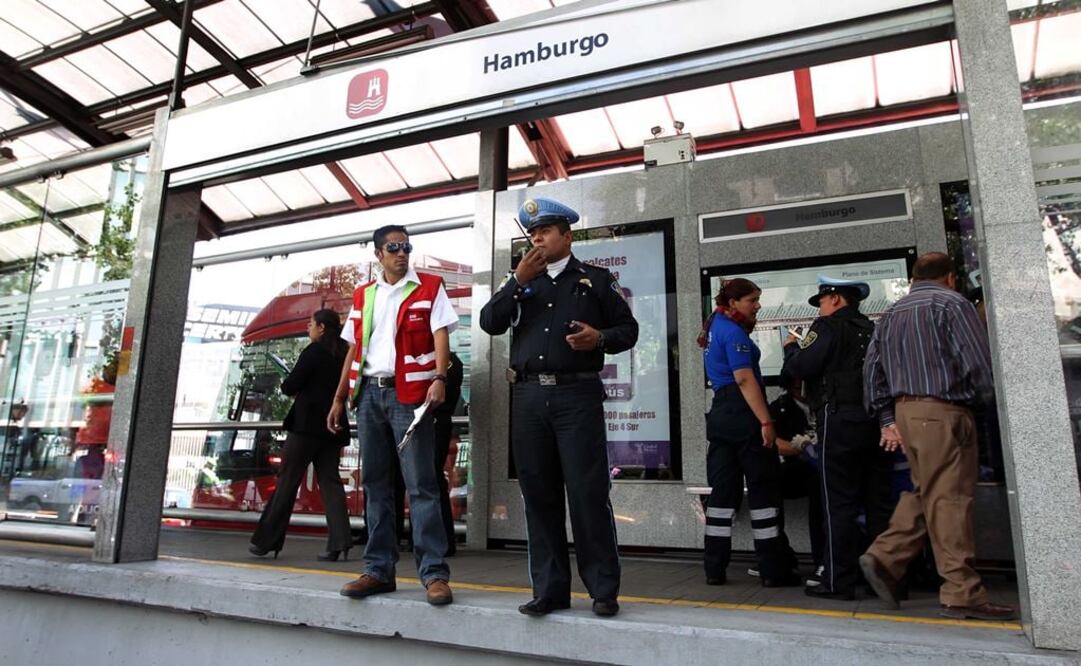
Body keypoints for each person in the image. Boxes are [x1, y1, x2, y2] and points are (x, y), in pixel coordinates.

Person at [479, 197, 638, 618]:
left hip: (577, 396)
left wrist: (598, 338)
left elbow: (629, 330)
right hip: (529, 397)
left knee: (587, 495)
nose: (538, 239)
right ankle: (549, 590)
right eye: (533, 233)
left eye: (546, 232)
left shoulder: (597, 281)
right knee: (539, 496)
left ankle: (603, 589)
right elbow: (489, 322)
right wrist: (516, 280)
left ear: (567, 236)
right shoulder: (520, 281)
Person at [859, 252, 1015, 621]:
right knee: (951, 499)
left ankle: (886, 556)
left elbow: (871, 370)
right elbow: (977, 361)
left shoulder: (891, 313)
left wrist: (886, 417)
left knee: (928, 488)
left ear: (913, 277)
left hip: (905, 413)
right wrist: (990, 403)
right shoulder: (952, 303)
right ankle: (962, 592)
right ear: (949, 277)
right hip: (944, 411)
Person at [330, 224, 456, 606]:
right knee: (376, 485)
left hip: (411, 397)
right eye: (394, 248)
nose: (402, 253)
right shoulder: (363, 295)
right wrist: (338, 398)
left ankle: (434, 574)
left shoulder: (430, 287)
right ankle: (378, 570)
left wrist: (439, 377)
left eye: (407, 247)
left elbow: (441, 336)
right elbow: (353, 350)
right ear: (378, 254)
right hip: (369, 394)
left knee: (421, 485)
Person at [781, 276, 894, 600]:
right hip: (873, 422)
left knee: (838, 503)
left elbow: (801, 366)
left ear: (835, 299)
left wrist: (790, 348)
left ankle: (837, 579)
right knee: (877, 503)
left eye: (823, 301)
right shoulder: (872, 330)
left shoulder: (827, 327)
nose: (822, 307)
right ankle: (883, 577)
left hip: (839, 420)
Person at [701, 278, 800, 588]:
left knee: (722, 494)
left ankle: (714, 568)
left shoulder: (716, 323)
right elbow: (744, 379)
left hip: (720, 415)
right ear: (733, 302)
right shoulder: (734, 334)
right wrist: (766, 422)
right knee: (763, 489)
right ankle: (773, 569)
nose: (757, 305)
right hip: (742, 412)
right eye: (751, 299)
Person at [249, 309, 352, 561]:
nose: (308, 328)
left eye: (311, 324)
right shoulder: (343, 354)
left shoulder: (313, 351)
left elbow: (290, 385)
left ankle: (267, 540)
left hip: (306, 428)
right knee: (330, 482)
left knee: (287, 481)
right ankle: (339, 542)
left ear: (322, 328)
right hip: (333, 426)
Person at [391, 350, 464, 555]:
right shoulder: (446, 361)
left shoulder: (447, 363)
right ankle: (428, 538)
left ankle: (439, 540)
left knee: (429, 479)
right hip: (431, 421)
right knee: (427, 480)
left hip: (435, 420)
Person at [768, 375, 825, 588]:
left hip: (820, 468)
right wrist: (803, 447)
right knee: (768, 485)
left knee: (822, 487)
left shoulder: (825, 404)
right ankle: (776, 557)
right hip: (793, 469)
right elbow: (772, 441)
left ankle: (824, 560)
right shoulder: (780, 407)